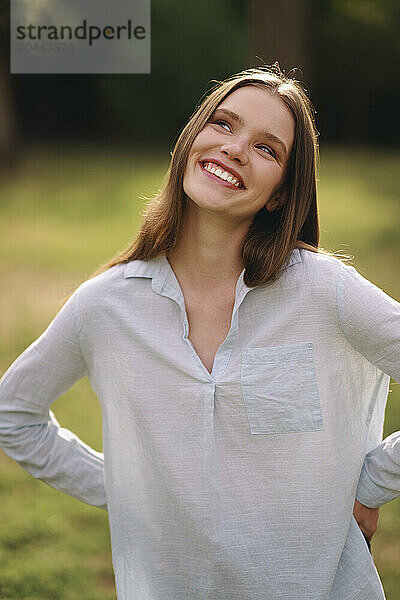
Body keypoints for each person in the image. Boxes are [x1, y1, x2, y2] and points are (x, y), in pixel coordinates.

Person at [0, 64, 399, 600]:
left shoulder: (325, 291)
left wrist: (373, 483)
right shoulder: (105, 305)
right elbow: (13, 415)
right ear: (192, 141)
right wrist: (127, 488)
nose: (234, 148)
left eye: (267, 149)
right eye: (223, 124)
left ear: (281, 194)